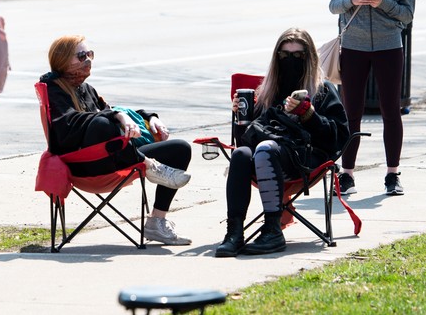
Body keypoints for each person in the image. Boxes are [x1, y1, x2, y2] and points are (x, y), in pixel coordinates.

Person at [39, 35, 194, 245]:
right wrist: (115, 117)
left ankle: (157, 222)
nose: (88, 60)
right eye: (82, 56)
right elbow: (70, 125)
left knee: (180, 149)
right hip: (85, 166)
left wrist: (150, 117)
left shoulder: (86, 89)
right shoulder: (54, 90)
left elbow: (115, 111)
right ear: (63, 60)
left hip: (117, 158)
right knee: (103, 124)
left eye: (90, 54)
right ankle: (149, 166)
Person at [215, 28, 349, 257]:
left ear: (309, 59)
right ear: (276, 59)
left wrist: (309, 114)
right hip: (266, 157)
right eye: (285, 55)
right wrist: (240, 117)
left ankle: (273, 229)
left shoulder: (322, 89)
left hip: (305, 158)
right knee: (240, 154)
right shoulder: (267, 91)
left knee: (266, 149)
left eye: (298, 56)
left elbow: (338, 137)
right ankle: (234, 232)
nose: (291, 61)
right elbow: (245, 140)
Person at [329, 0, 416, 196]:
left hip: (389, 46)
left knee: (390, 110)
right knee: (350, 111)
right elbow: (333, 5)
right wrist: (352, 0)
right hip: (353, 46)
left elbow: (407, 14)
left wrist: (383, 3)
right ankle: (347, 174)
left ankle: (393, 175)